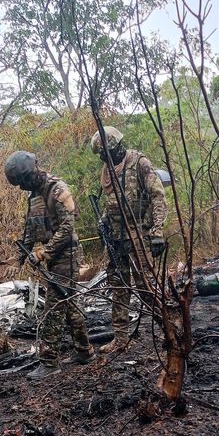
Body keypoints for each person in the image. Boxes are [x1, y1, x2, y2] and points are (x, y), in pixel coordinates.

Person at [3, 151, 95, 379]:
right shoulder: (34, 195)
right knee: (69, 303)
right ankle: (84, 351)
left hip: (67, 254)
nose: (22, 187)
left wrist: (45, 252)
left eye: (23, 181)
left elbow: (67, 228)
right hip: (54, 256)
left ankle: (49, 361)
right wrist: (19, 258)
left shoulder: (57, 189)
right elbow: (29, 229)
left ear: (32, 172)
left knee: (53, 308)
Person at [90, 126, 167, 354]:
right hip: (116, 238)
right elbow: (111, 203)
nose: (104, 158)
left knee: (146, 287)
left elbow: (158, 196)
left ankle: (168, 330)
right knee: (119, 288)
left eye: (106, 153)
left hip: (139, 235)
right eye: (101, 156)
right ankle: (121, 338)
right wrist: (103, 221)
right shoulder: (107, 171)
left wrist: (157, 232)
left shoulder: (139, 163)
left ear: (117, 147)